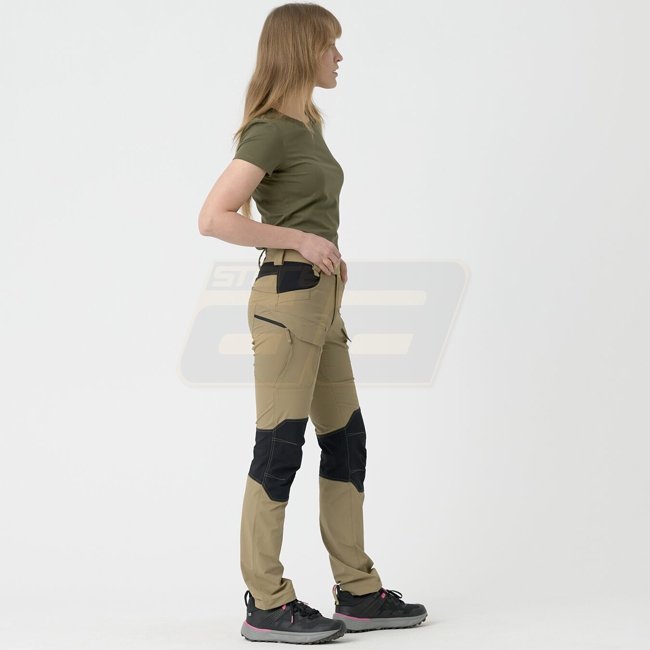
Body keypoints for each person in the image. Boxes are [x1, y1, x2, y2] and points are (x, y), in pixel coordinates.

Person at [198, 3, 427, 644]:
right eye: (331, 46)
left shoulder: (309, 125)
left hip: (322, 303)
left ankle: (357, 590)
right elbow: (213, 217)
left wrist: (323, 251)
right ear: (303, 51)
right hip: (286, 302)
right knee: (279, 448)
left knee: (347, 440)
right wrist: (299, 239)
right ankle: (267, 602)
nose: (339, 56)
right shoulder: (270, 130)